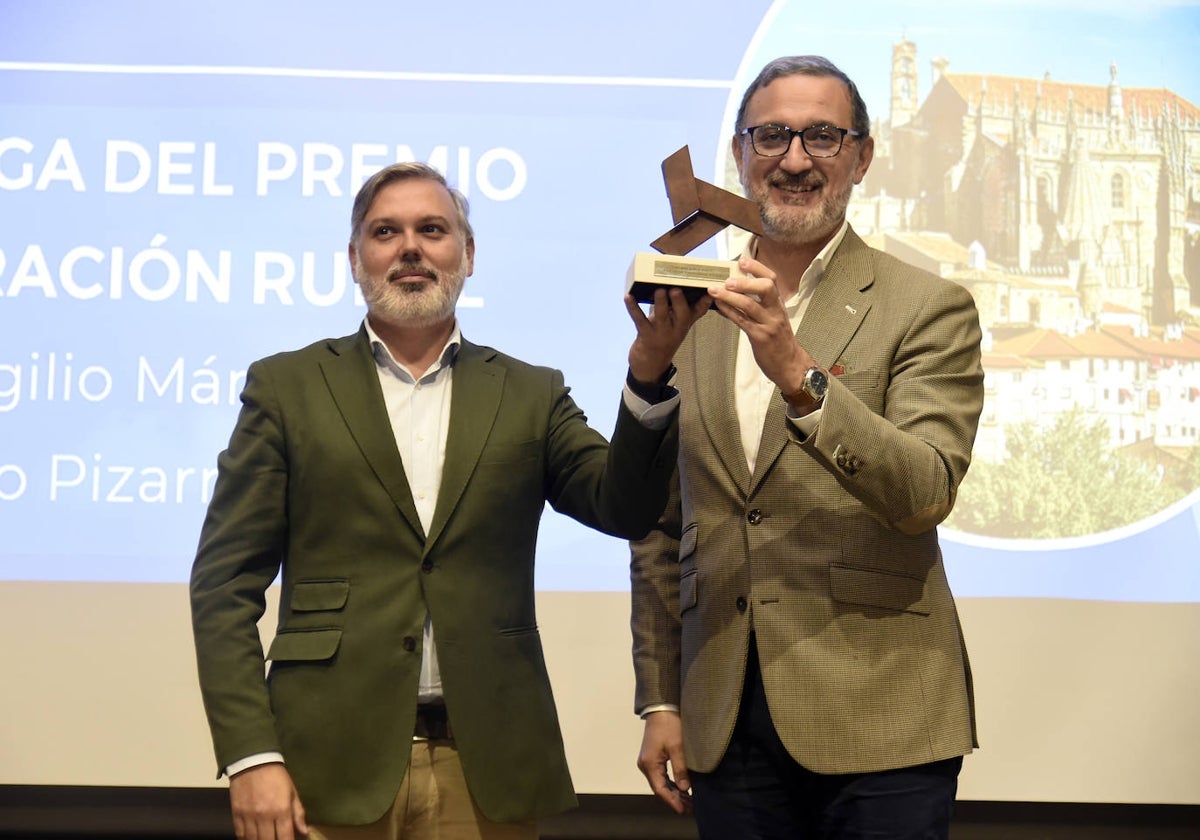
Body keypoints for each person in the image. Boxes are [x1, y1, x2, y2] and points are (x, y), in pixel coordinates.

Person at [190, 161, 708, 840]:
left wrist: (647, 375)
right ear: (355, 258)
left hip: (485, 767)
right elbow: (223, 584)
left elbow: (624, 509)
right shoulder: (287, 388)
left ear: (468, 255)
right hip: (325, 763)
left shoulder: (530, 393)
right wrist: (252, 756)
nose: (410, 247)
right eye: (386, 231)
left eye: (432, 230)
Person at [631, 55, 985, 839]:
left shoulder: (928, 306)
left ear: (862, 156)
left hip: (881, 713)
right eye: (774, 136)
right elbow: (660, 528)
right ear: (740, 153)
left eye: (823, 137)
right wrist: (661, 697)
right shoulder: (691, 313)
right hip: (724, 715)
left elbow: (925, 490)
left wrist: (797, 373)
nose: (795, 159)